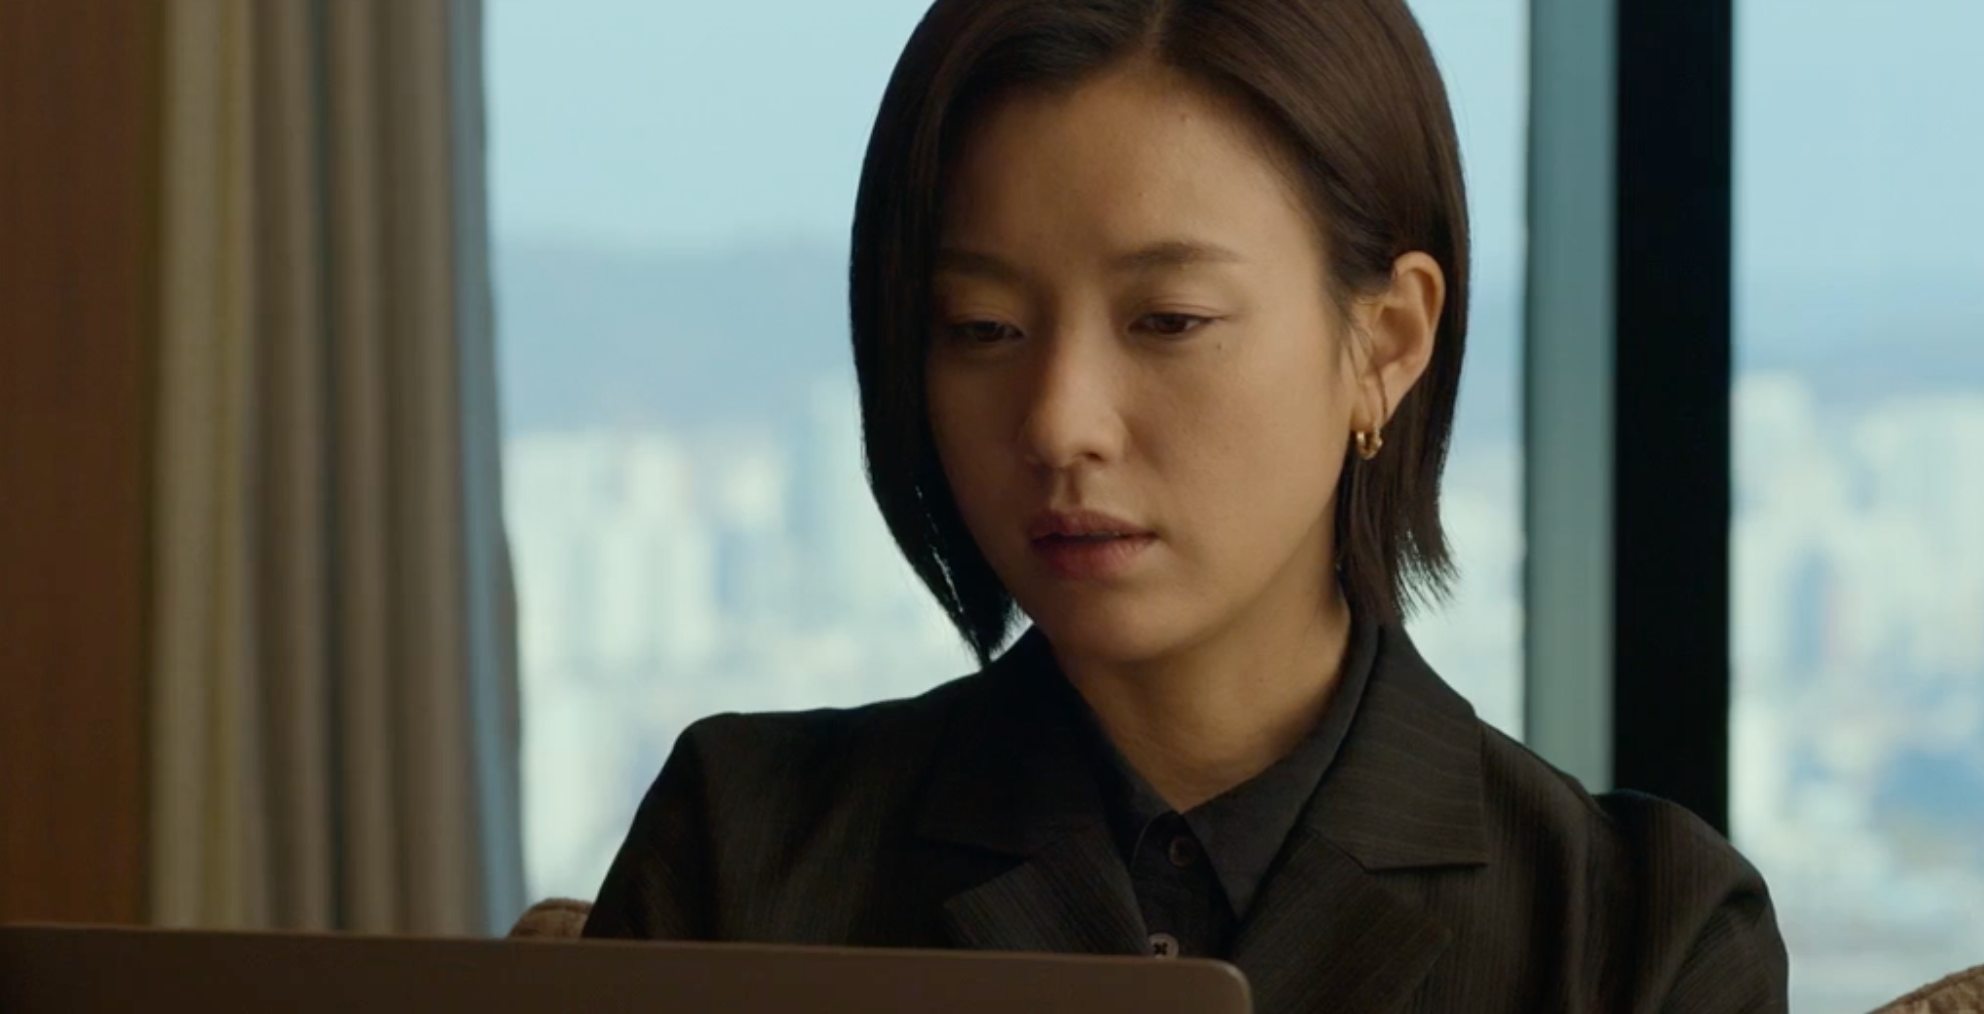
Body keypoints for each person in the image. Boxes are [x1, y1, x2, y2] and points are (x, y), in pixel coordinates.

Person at [582, 0, 1791, 1010]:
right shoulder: (749, 854)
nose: (1059, 423)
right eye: (983, 329)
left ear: (1386, 342)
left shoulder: (1637, 936)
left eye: (1167, 321)